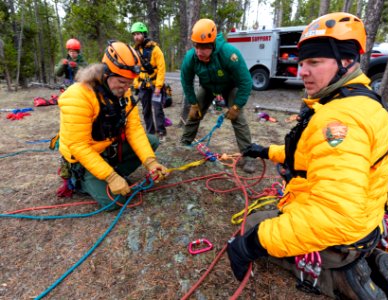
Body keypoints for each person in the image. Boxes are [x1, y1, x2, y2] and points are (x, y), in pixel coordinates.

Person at [226, 12, 388, 299]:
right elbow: (311, 157)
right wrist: (266, 151)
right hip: (363, 220)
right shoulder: (357, 102)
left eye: (314, 62)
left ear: (345, 62)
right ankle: (356, 259)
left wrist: (250, 246)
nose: (302, 71)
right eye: (302, 62)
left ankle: (339, 276)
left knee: (254, 228)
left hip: (342, 232)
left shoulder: (340, 121)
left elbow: (333, 215)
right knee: (266, 225)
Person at [57, 40, 167, 210]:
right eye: (122, 82)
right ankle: (79, 181)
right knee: (115, 202)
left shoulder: (124, 92)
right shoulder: (78, 95)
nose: (126, 88)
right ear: (106, 74)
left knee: (151, 141)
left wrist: (151, 162)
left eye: (130, 83)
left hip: (107, 149)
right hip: (82, 158)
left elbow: (134, 129)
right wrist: (110, 176)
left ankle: (112, 173)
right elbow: (78, 146)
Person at [180, 18, 256, 174]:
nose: (200, 52)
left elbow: (246, 81)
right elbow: (186, 82)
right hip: (207, 87)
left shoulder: (229, 53)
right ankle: (184, 144)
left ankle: (249, 157)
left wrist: (237, 105)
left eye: (204, 47)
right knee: (195, 114)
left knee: (238, 119)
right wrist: (193, 103)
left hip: (229, 86)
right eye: (197, 46)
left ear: (213, 44)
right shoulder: (190, 58)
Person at [131, 22, 167, 141]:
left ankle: (161, 131)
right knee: (146, 110)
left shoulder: (155, 49)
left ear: (144, 34)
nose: (136, 37)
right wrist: (136, 84)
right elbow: (135, 69)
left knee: (157, 109)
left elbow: (161, 68)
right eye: (134, 34)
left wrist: (158, 86)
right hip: (142, 86)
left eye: (138, 34)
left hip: (154, 85)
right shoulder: (135, 51)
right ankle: (150, 132)